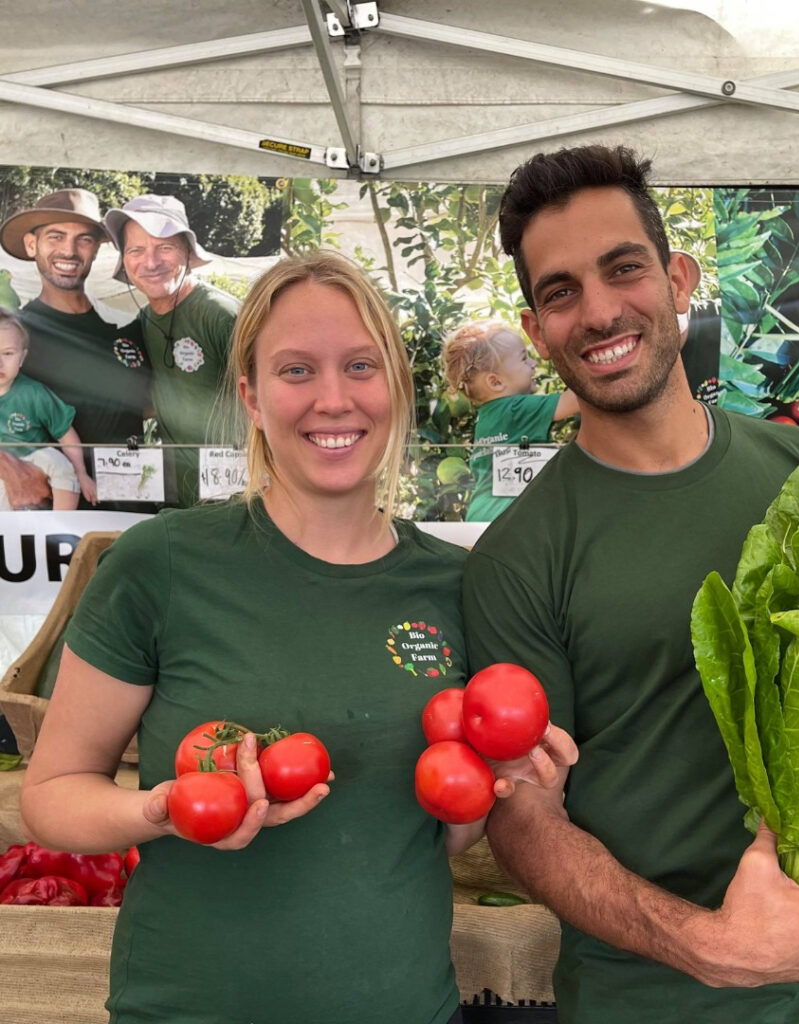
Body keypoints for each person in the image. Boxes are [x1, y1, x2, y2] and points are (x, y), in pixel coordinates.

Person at [19, 250, 576, 1024]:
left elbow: (435, 840)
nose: (333, 400)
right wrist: (165, 809)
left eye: (359, 366)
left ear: (396, 386)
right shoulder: (163, 564)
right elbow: (49, 799)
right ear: (249, 394)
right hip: (187, 1007)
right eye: (295, 371)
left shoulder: (458, 586)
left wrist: (511, 781)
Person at [461, 145, 799, 1023]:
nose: (599, 312)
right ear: (535, 332)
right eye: (560, 292)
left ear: (678, 279)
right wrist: (708, 947)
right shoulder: (515, 559)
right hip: (646, 999)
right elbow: (523, 819)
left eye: (624, 269)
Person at [0, 187, 150, 507]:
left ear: (96, 249)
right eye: (55, 236)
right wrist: (10, 469)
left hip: (135, 507)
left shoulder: (127, 329)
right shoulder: (13, 337)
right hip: (53, 518)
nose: (69, 251)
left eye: (84, 239)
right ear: (31, 245)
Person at [103, 194, 239, 507]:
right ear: (125, 260)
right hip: (179, 492)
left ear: (188, 254)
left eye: (164, 247)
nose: (150, 262)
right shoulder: (146, 319)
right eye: (136, 250)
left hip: (232, 494)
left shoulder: (220, 315)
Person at [441, 319, 578, 521]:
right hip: (511, 520)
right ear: (495, 382)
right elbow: (576, 400)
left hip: (482, 517)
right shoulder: (516, 410)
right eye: (524, 358)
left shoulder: (488, 416)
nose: (534, 363)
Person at [0, 308, 96, 509]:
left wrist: (81, 472)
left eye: (8, 353)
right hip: (4, 469)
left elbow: (66, 434)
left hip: (35, 459)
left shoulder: (33, 393)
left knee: (57, 461)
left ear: (22, 358)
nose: (0, 363)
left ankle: (60, 524)